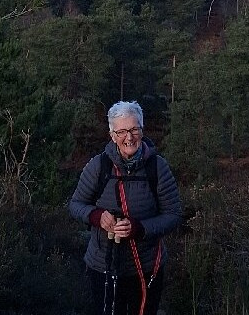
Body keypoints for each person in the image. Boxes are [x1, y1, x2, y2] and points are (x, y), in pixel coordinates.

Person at [69, 100, 182, 315]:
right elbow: (75, 205)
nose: (129, 138)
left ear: (141, 129)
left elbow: (173, 214)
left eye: (134, 130)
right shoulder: (98, 166)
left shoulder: (158, 167)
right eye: (121, 131)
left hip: (148, 267)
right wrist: (97, 216)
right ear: (112, 135)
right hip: (104, 266)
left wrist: (139, 229)